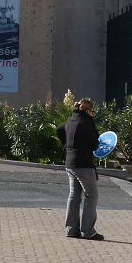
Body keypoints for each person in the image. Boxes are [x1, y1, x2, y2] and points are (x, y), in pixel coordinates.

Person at [56, 98, 103, 240]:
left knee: (74, 196)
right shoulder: (86, 123)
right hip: (84, 165)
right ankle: (88, 231)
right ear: (88, 111)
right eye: (92, 111)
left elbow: (59, 129)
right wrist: (93, 124)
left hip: (70, 163)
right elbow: (95, 144)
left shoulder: (70, 120)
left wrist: (66, 145)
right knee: (92, 195)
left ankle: (71, 229)